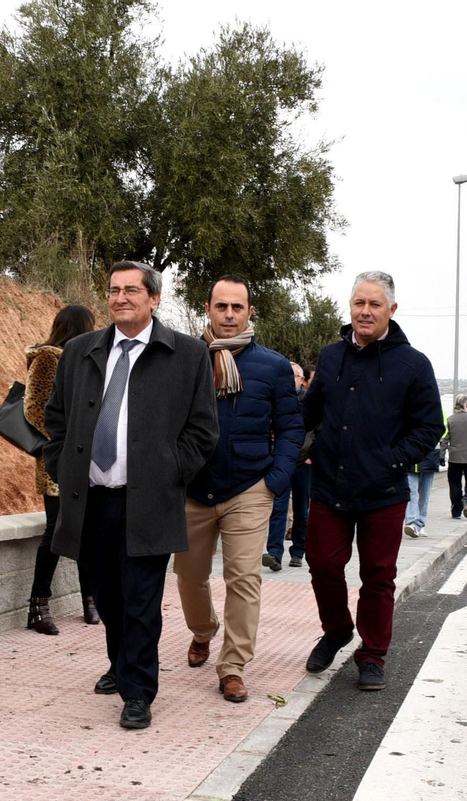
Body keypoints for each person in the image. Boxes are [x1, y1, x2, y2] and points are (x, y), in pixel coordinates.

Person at [42, 261, 218, 730]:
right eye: (113, 290)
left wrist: (170, 471)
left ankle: (138, 691)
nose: (120, 298)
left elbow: (203, 430)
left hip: (149, 501)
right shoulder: (79, 351)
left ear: (154, 298)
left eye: (131, 290)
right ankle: (120, 665)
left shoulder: (187, 354)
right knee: (108, 598)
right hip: (91, 499)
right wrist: (62, 464)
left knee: (141, 600)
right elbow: (54, 419)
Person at [303, 271, 443, 691]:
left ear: (392, 310)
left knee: (378, 578)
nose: (365, 311)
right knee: (322, 565)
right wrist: (302, 446)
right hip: (329, 486)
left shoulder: (413, 364)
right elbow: (310, 412)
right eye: (359, 303)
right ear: (350, 307)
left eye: (375, 304)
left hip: (383, 492)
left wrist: (391, 461)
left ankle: (372, 655)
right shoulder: (331, 357)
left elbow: (429, 426)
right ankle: (336, 631)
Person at [174, 277, 304, 703]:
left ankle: (232, 666)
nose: (229, 314)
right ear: (207, 309)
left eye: (237, 307)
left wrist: (276, 479)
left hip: (249, 487)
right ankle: (203, 631)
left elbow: (291, 428)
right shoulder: (183, 358)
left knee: (244, 578)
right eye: (221, 306)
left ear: (250, 312)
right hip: (192, 488)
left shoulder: (273, 366)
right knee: (189, 576)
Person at [23, 304, 100, 635]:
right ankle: (38, 606)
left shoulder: (86, 361)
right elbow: (35, 409)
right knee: (56, 529)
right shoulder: (47, 358)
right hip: (57, 460)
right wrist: (66, 444)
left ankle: (90, 599)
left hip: (86, 460)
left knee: (86, 529)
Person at [265, 362, 312, 571]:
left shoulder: (309, 401)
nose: (289, 379)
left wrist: (312, 454)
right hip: (279, 461)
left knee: (301, 509)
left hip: (303, 461)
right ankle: (274, 553)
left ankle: (298, 551)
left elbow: (318, 428)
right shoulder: (275, 398)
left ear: (301, 379)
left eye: (293, 375)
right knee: (278, 506)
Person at [402, 426, 441, 539]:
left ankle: (420, 524)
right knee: (411, 492)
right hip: (411, 459)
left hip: (429, 458)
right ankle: (412, 523)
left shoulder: (434, 415)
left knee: (425, 495)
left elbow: (442, 431)